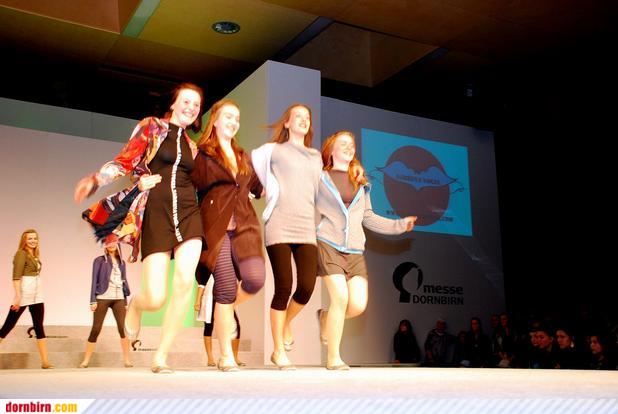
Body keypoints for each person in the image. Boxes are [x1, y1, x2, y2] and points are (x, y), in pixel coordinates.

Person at [74, 83, 205, 373]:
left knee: (185, 281)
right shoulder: (152, 127)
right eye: (186, 101)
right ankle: (135, 306)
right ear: (173, 103)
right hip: (156, 212)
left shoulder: (193, 146)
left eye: (196, 105)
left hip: (188, 212)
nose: (191, 108)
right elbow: (125, 161)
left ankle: (161, 356)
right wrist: (97, 180)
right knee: (155, 298)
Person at [314, 131, 416, 369]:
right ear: (330, 150)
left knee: (358, 305)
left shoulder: (361, 183)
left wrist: (400, 225)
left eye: (352, 144)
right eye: (343, 143)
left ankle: (325, 317)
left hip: (355, 250)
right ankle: (333, 358)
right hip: (328, 243)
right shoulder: (319, 177)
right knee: (340, 298)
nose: (349, 147)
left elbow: (368, 217)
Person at [191, 99, 265, 371]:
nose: (234, 122)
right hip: (216, 229)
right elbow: (188, 186)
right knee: (224, 288)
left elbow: (257, 187)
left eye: (237, 118)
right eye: (229, 117)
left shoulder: (243, 157)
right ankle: (225, 356)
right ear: (215, 120)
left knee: (255, 279)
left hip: (245, 227)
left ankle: (227, 308)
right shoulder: (203, 155)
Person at [251, 104, 322, 370]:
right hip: (279, 223)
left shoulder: (315, 156)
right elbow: (254, 165)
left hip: (306, 226)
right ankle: (278, 351)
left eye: (307, 117)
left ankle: (286, 323)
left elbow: (319, 190)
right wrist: (265, 189)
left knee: (306, 286)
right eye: (298, 116)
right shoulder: (274, 150)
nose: (303, 120)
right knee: (284, 286)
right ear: (288, 123)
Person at [0, 229, 53, 369]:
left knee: (39, 326)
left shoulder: (34, 255)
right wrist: (18, 296)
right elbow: (16, 276)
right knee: (8, 325)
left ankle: (45, 362)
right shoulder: (21, 254)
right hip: (24, 293)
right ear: (24, 240)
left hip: (37, 295)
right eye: (30, 238)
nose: (33, 241)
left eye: (35, 238)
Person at [79, 243, 132, 368]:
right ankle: (86, 360)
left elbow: (123, 281)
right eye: (108, 242)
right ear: (105, 245)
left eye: (114, 242)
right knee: (96, 329)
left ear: (117, 244)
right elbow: (94, 280)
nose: (111, 245)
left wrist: (125, 302)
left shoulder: (122, 263)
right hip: (102, 297)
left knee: (123, 329)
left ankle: (127, 360)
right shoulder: (99, 260)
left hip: (119, 298)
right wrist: (92, 300)